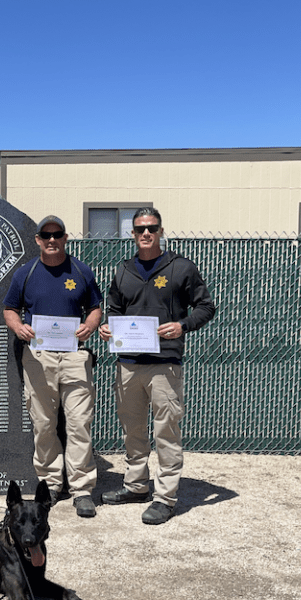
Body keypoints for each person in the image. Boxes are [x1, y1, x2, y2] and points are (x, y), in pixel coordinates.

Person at [98, 207, 216, 524]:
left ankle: (165, 497)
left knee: (166, 433)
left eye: (152, 228)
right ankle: (136, 486)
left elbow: (206, 307)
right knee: (133, 431)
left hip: (165, 363)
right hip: (129, 364)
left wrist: (183, 326)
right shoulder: (123, 270)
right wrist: (106, 327)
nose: (146, 234)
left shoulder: (181, 268)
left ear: (161, 231)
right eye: (140, 229)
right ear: (132, 233)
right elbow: (114, 310)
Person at [3, 215, 103, 518]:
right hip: (38, 358)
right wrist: (18, 327)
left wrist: (89, 325)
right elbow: (9, 308)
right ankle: (50, 485)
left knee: (79, 423)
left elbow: (96, 308)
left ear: (65, 237)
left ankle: (82, 489)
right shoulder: (26, 273)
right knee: (44, 424)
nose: (51, 240)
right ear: (37, 239)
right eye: (45, 235)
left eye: (57, 234)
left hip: (74, 356)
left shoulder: (81, 270)